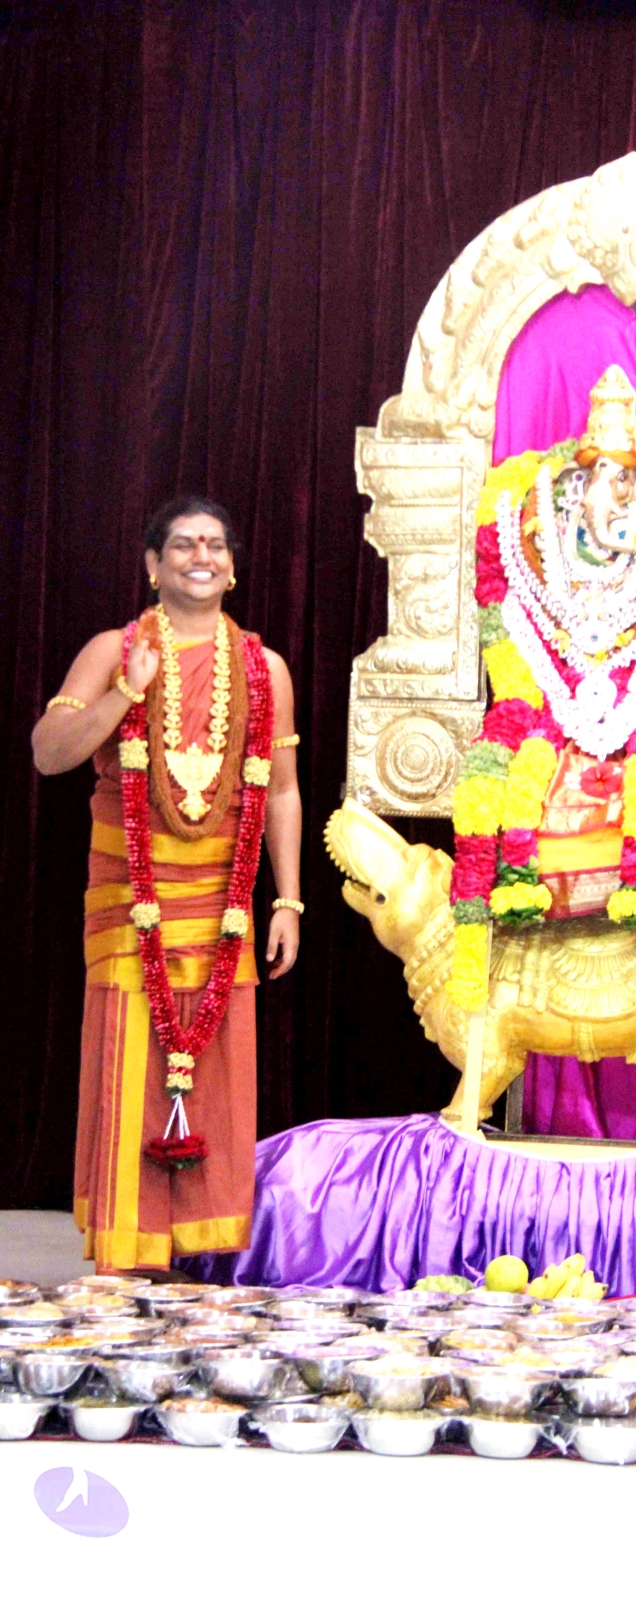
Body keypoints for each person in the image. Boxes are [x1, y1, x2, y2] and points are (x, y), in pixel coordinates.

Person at [32, 495, 302, 1274]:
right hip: (131, 900)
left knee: (217, 1075)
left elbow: (282, 790)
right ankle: (128, 1258)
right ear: (153, 564)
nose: (201, 557)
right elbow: (49, 752)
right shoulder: (112, 650)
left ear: (233, 566)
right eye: (183, 544)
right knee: (131, 1066)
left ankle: (206, 1264)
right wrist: (127, 691)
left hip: (223, 904)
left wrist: (287, 900)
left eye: (215, 545)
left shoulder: (264, 668)